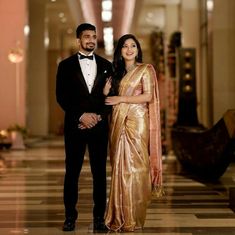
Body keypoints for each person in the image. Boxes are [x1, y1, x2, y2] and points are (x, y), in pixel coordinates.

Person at [104, 34, 164, 232]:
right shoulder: (117, 72)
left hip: (137, 122)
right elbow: (107, 97)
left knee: (137, 166)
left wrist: (121, 99)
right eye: (125, 46)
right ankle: (119, 214)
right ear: (120, 50)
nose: (129, 49)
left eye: (133, 46)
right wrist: (107, 90)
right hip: (118, 121)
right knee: (120, 166)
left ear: (138, 49)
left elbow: (148, 96)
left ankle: (133, 215)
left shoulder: (145, 70)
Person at [56, 23, 113, 232]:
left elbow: (111, 98)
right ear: (78, 40)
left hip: (98, 127)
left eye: (93, 36)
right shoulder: (65, 65)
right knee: (72, 172)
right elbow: (61, 97)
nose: (91, 39)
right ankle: (70, 217)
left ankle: (99, 218)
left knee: (100, 174)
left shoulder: (107, 65)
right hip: (75, 126)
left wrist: (97, 117)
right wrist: (81, 116)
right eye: (86, 36)